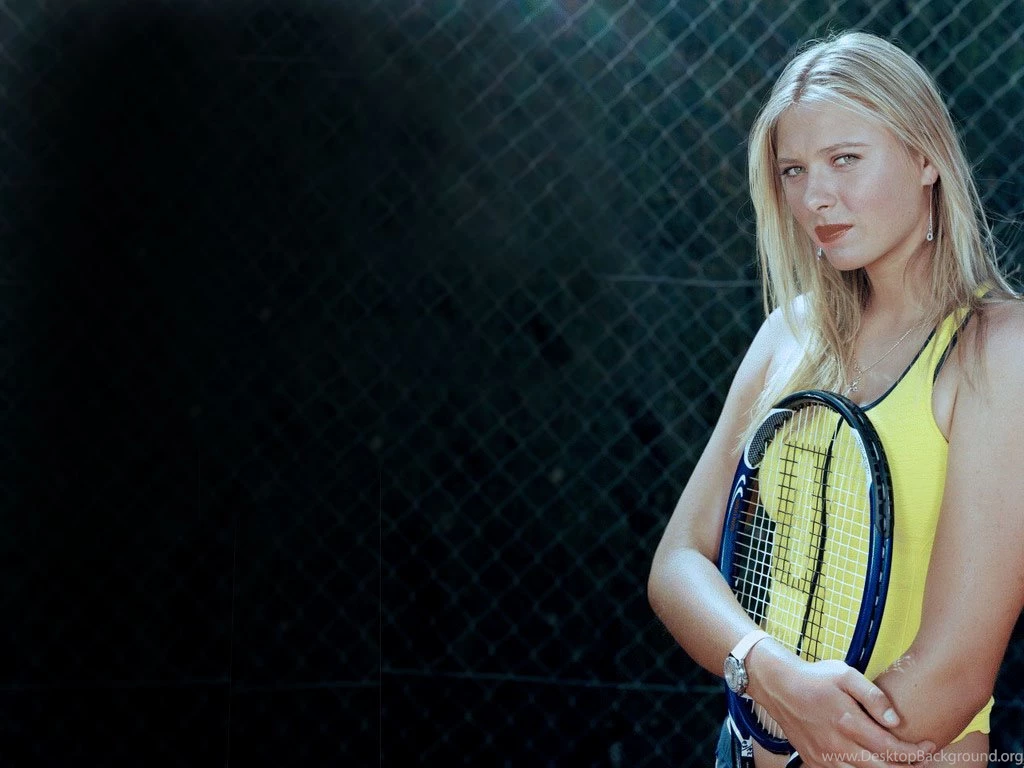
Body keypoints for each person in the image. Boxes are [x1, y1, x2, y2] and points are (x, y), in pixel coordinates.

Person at [647, 31, 1024, 768]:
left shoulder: (998, 349)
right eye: (794, 170)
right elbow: (677, 563)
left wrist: (799, 744)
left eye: (845, 159)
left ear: (925, 158)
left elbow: (954, 672)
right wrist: (765, 668)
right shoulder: (787, 335)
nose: (815, 196)